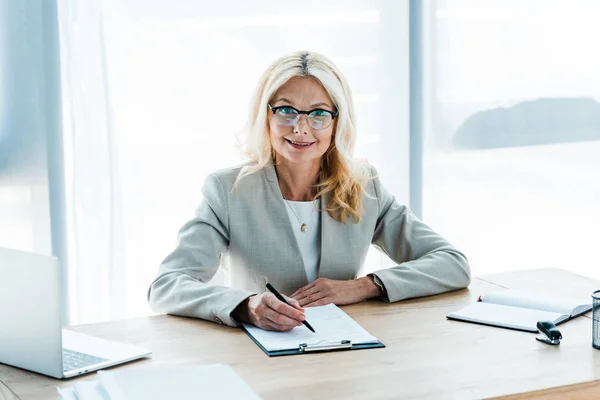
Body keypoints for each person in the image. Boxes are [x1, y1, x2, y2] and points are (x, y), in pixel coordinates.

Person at [147, 51, 471, 332]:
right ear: (266, 116)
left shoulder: (363, 185)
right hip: (257, 357)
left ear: (336, 123)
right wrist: (246, 305)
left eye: (318, 114)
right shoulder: (228, 190)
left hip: (344, 352)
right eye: (286, 111)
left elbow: (452, 263)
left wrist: (362, 287)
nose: (301, 128)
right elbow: (167, 284)